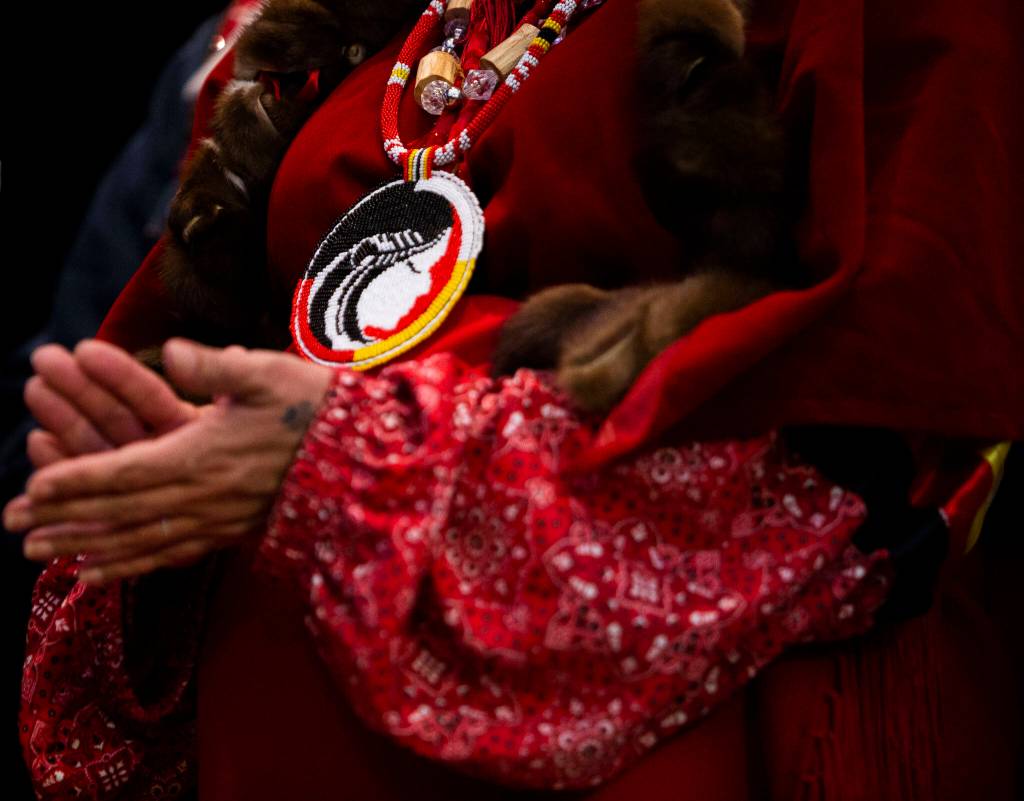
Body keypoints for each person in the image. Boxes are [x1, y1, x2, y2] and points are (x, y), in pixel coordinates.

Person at [8, 0, 1023, 798]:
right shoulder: (364, 22)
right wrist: (168, 466)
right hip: (278, 725)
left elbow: (877, 437)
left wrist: (361, 462)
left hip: (658, 752)